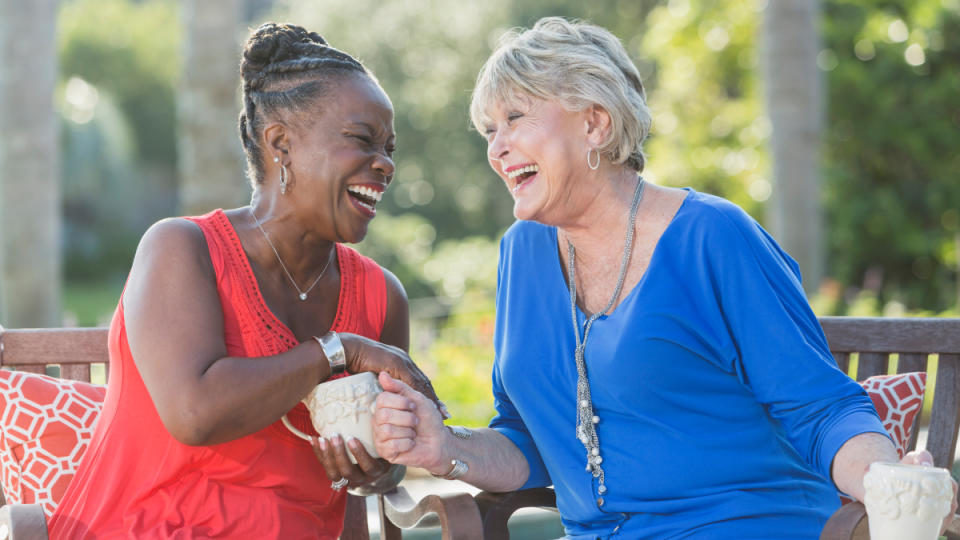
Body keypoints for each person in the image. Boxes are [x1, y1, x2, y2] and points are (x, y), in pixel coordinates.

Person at [370, 17, 958, 539]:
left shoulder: (714, 237)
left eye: (514, 118)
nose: (497, 149)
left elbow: (821, 408)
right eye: (489, 132)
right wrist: (445, 448)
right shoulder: (521, 253)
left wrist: (885, 479)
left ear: (595, 123)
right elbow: (526, 439)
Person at [48, 22, 438, 539]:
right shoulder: (182, 250)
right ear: (281, 144)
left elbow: (391, 461)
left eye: (390, 148)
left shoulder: (381, 296)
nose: (385, 164)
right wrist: (338, 350)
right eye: (363, 140)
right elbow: (195, 412)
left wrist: (375, 467)